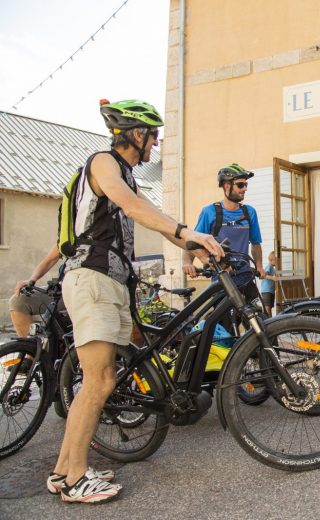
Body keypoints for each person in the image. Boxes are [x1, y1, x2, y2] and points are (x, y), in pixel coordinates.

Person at [48, 99, 223, 504]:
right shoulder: (103, 162)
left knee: (101, 380)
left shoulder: (127, 175)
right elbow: (131, 206)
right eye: (153, 135)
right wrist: (186, 230)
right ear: (136, 133)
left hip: (108, 282)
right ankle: (75, 479)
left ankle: (62, 472)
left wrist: (198, 247)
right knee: (99, 381)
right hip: (92, 280)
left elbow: (149, 214)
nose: (156, 143)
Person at [182, 163, 266, 305]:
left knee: (259, 317)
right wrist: (187, 262)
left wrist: (259, 266)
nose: (245, 189)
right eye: (240, 185)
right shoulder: (210, 212)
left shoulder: (249, 212)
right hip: (221, 276)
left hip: (245, 275)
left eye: (246, 185)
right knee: (224, 322)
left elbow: (256, 243)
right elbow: (193, 241)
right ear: (227, 186)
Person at [9, 244, 61, 337]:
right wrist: (31, 280)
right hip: (63, 288)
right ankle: (29, 348)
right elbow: (50, 259)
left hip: (86, 289)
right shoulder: (71, 232)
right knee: (19, 301)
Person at [260, 251, 278, 316]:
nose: (277, 262)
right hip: (266, 290)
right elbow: (264, 276)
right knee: (267, 307)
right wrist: (272, 278)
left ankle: (270, 319)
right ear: (271, 260)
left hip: (271, 291)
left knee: (269, 306)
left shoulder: (273, 268)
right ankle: (269, 320)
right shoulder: (269, 266)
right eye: (276, 260)